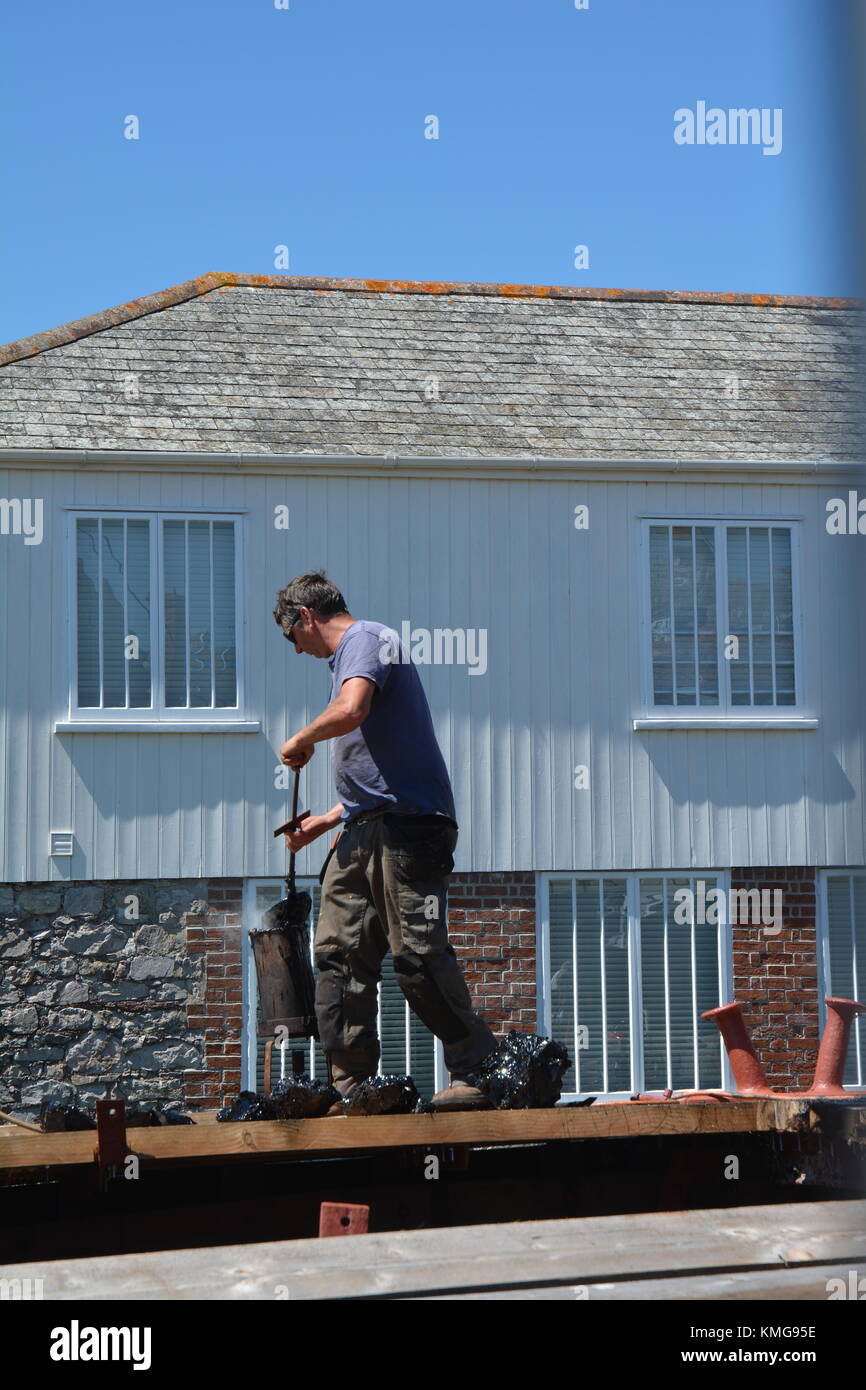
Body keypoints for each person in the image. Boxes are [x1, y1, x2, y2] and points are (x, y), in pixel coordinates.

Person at [273, 571, 497, 1111]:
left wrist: (302, 737)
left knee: (417, 957)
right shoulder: (349, 658)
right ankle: (350, 1086)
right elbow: (374, 769)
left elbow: (353, 711)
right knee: (338, 955)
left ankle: (478, 1071)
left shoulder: (369, 640)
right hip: (364, 826)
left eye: (293, 638)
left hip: (410, 827)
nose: (299, 651)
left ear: (305, 617)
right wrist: (327, 822)